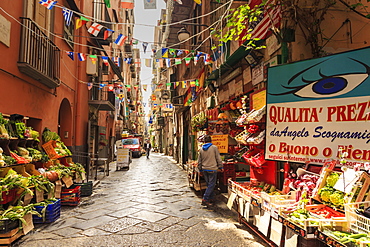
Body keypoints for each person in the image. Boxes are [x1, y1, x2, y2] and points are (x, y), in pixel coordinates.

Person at [197, 135, 223, 207]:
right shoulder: (214, 148)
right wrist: (220, 166)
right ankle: (205, 199)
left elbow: (199, 161)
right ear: (211, 140)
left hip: (205, 169)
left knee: (209, 184)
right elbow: (218, 158)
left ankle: (211, 198)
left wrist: (200, 170)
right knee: (211, 185)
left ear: (204, 141)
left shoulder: (201, 149)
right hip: (212, 169)